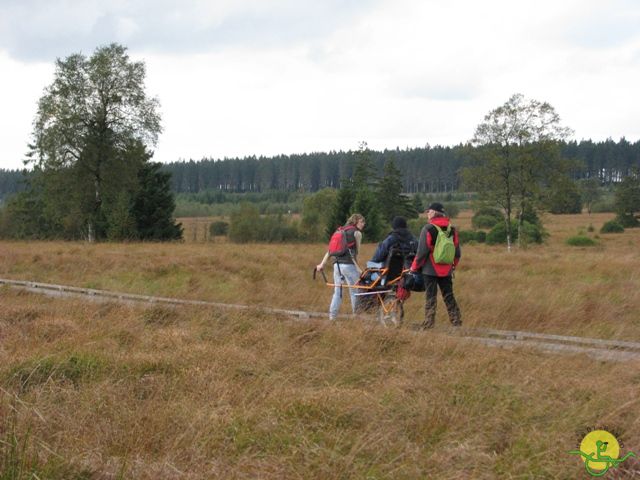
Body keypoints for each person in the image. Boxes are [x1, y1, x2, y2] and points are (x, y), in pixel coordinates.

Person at [410, 202, 461, 328]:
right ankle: (456, 321)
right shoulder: (452, 229)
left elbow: (421, 253)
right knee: (449, 296)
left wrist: (414, 267)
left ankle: (429, 323)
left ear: (433, 212)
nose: (427, 214)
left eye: (428, 211)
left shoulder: (428, 229)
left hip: (430, 269)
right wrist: (452, 266)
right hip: (447, 269)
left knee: (430, 297)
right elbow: (457, 252)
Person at [316, 214, 366, 321]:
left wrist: (322, 264)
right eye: (362, 222)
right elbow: (357, 252)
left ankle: (332, 318)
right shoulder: (357, 233)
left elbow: (330, 251)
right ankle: (356, 318)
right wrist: (358, 269)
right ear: (356, 222)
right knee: (355, 291)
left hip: (336, 265)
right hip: (349, 266)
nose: (363, 224)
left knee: (337, 292)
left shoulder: (340, 231)